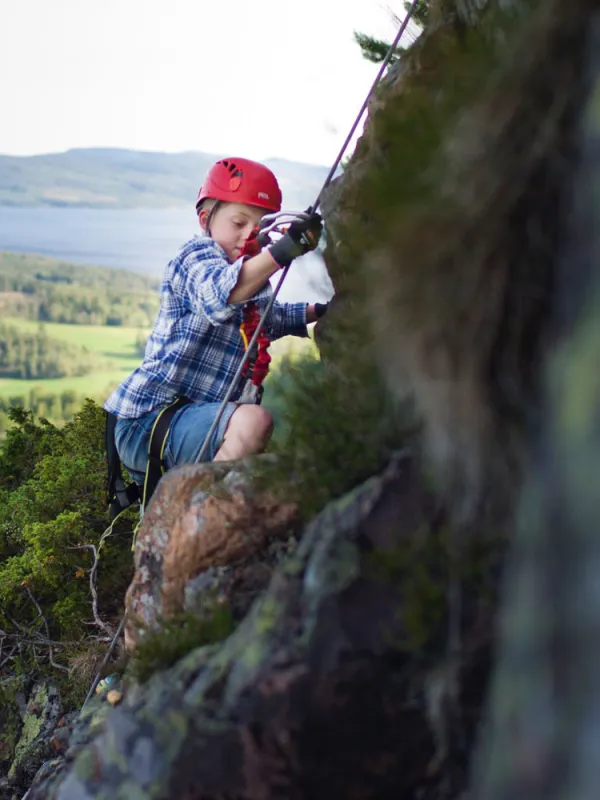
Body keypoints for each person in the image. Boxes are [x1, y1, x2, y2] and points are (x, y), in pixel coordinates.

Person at [104, 156, 325, 486]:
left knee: (253, 436)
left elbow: (268, 318)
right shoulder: (196, 256)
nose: (249, 235)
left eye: (260, 226)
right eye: (238, 223)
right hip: (149, 420)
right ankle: (199, 511)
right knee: (253, 423)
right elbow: (218, 297)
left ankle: (194, 511)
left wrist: (321, 311)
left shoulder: (249, 279)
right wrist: (285, 250)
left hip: (188, 419)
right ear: (206, 218)